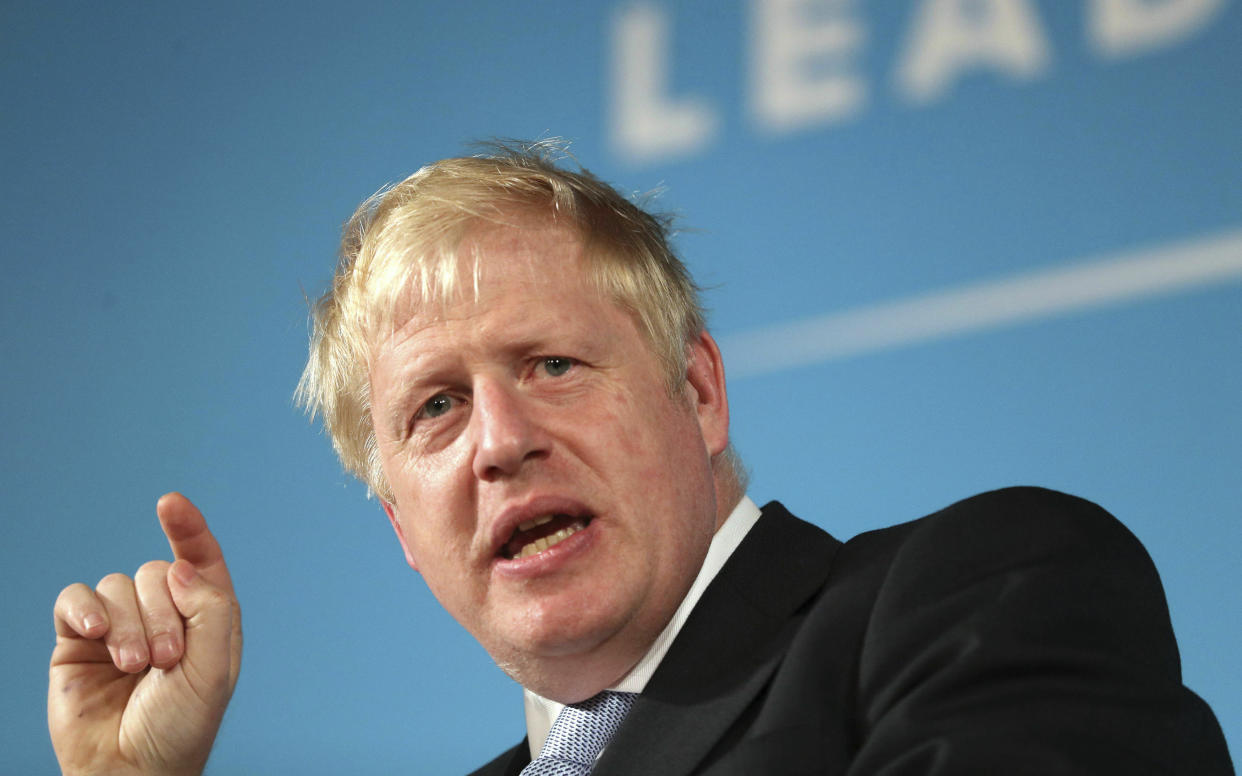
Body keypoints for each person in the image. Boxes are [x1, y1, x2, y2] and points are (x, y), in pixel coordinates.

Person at [48, 141, 1234, 775]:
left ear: (699, 392)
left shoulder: (988, 591)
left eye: (554, 364)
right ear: (404, 531)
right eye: (438, 409)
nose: (503, 441)